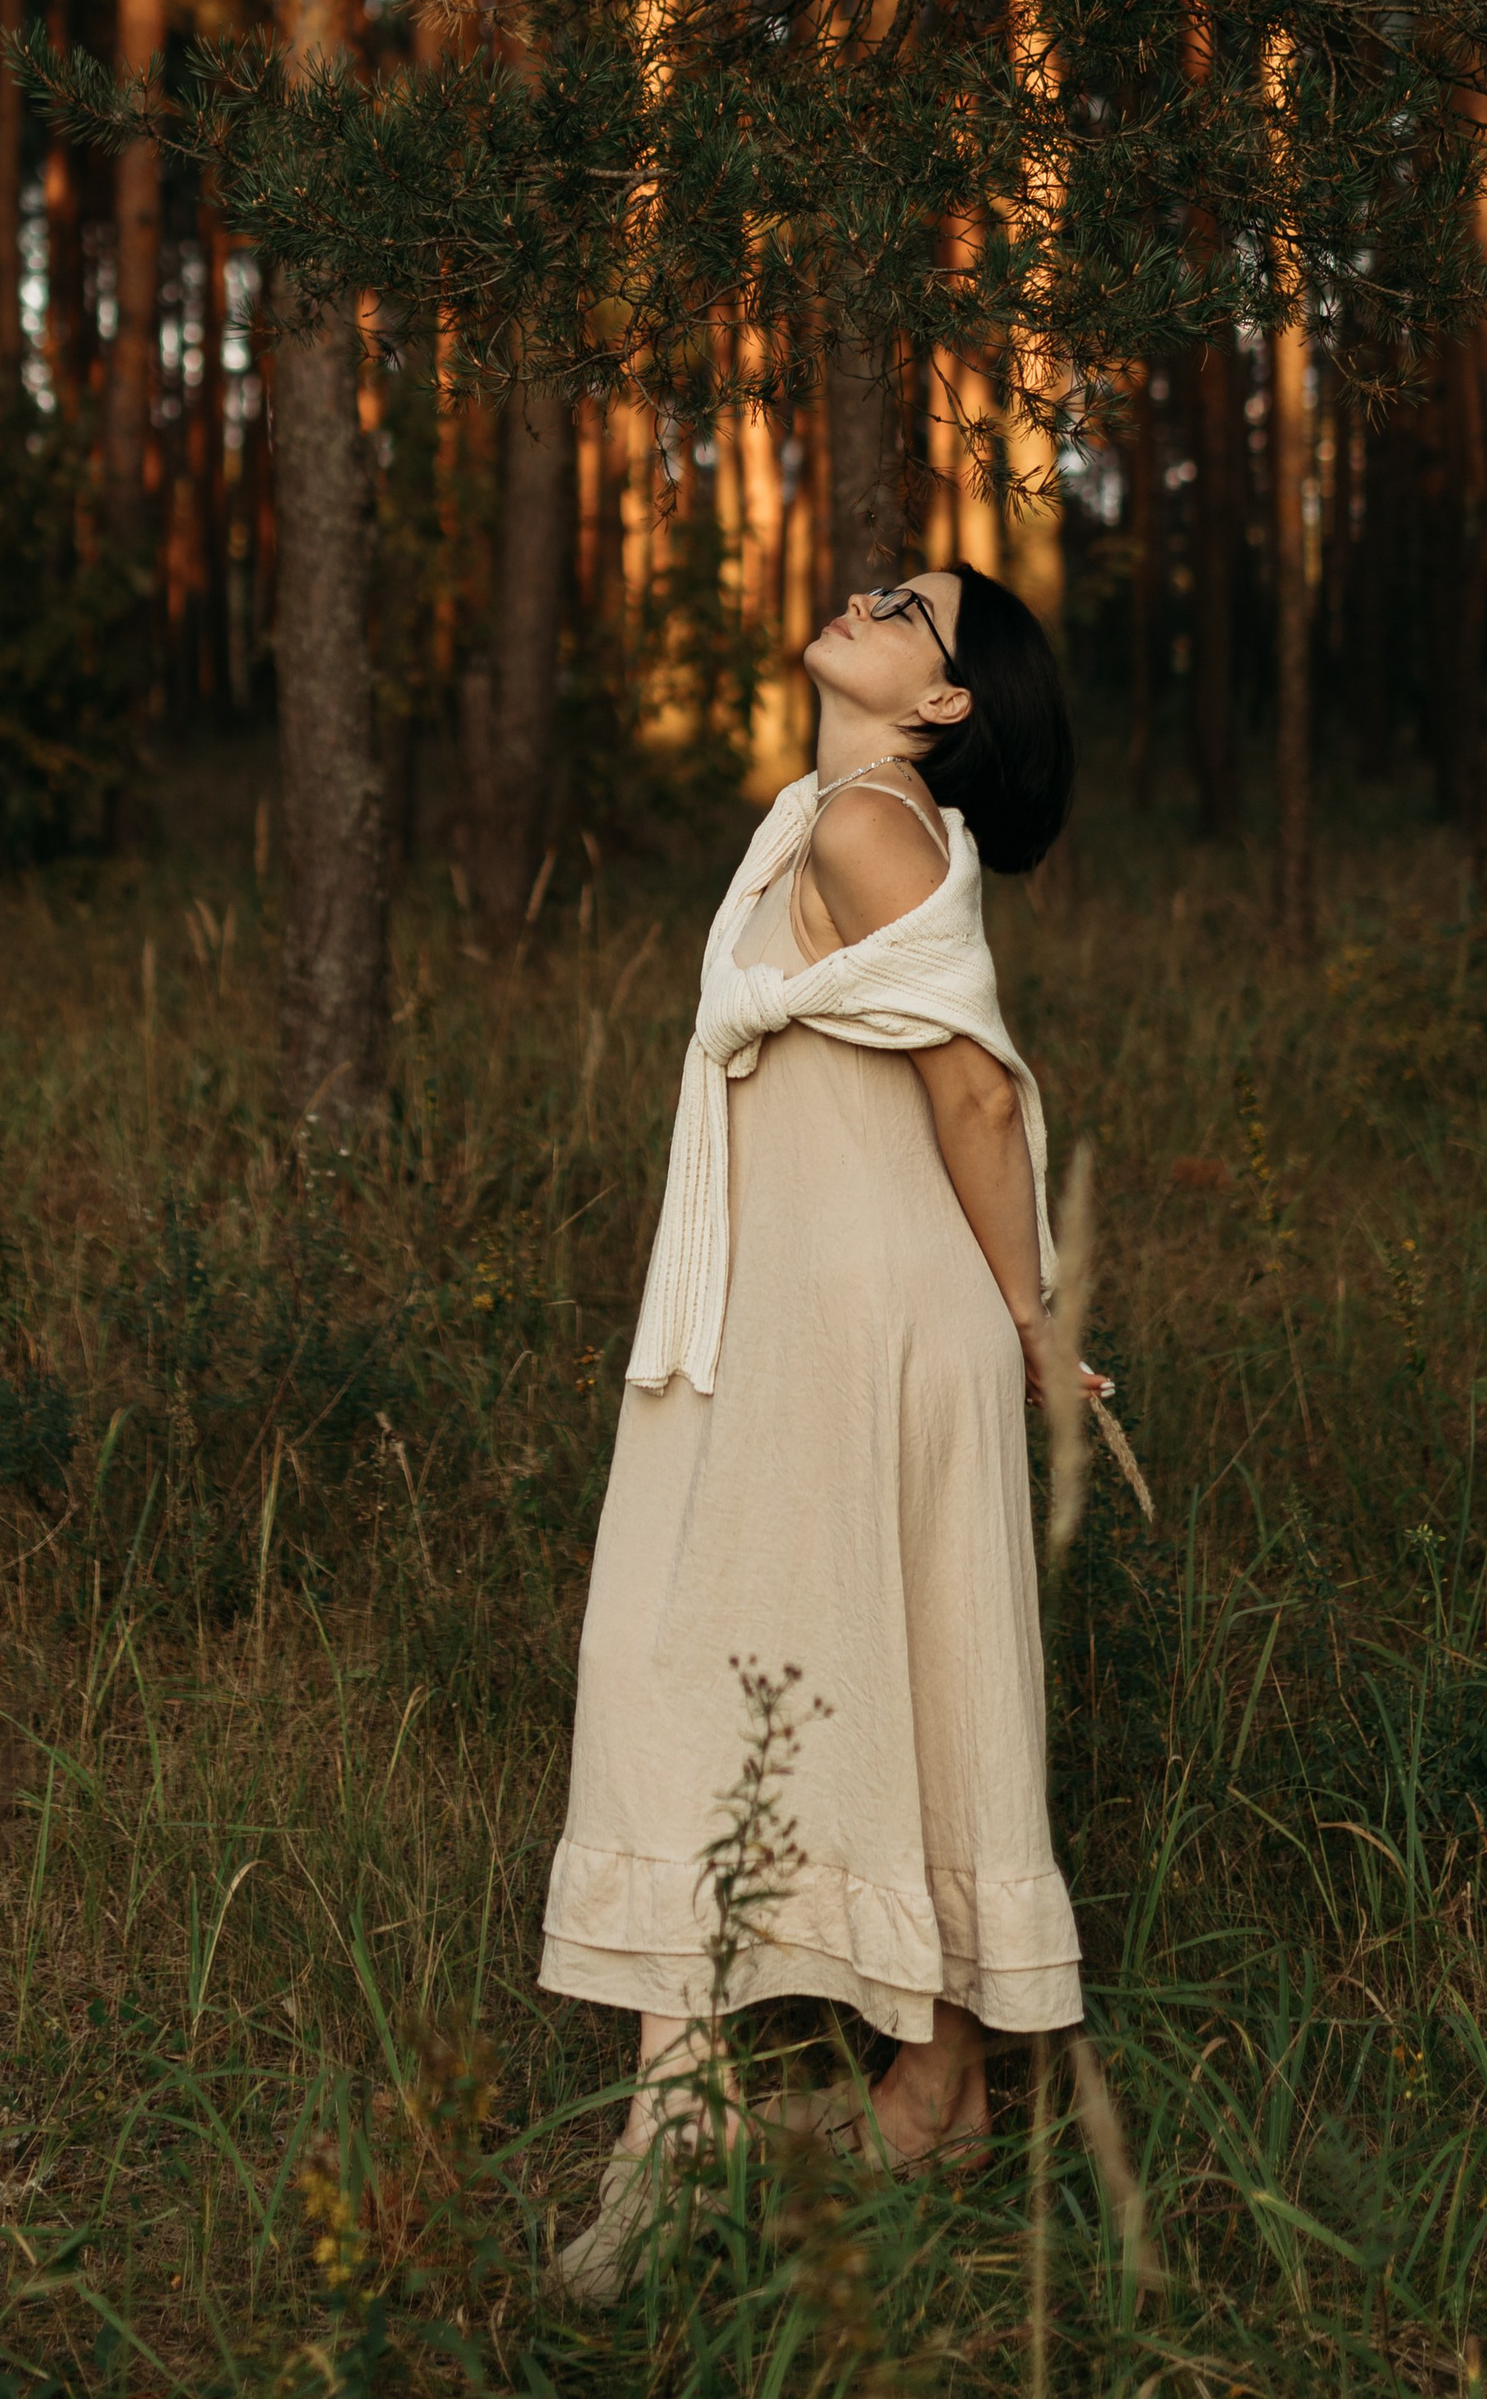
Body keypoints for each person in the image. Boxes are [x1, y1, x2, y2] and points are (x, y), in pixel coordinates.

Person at [541, 563, 1097, 2303]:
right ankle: (932, 2090)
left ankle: (677, 2131)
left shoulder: (870, 818)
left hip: (865, 1314)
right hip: (819, 1302)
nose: (870, 593)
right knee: (864, 1662)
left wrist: (1025, 1317)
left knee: (678, 1660)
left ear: (942, 703)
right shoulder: (847, 810)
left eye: (910, 609)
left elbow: (979, 1088)